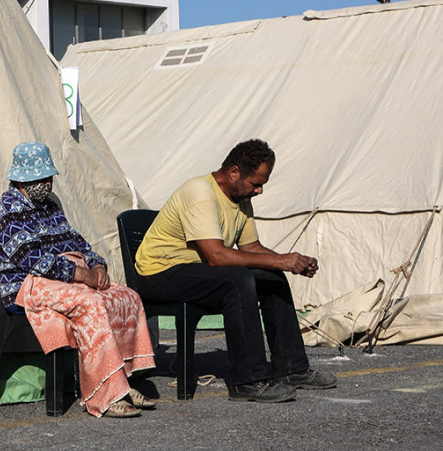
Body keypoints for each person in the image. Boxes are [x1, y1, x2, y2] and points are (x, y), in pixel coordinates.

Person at [133, 139, 336, 403]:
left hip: (194, 271)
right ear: (234, 173)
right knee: (237, 279)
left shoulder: (240, 198)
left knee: (271, 278)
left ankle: (291, 368)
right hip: (158, 273)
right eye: (256, 183)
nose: (260, 190)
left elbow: (251, 247)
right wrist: (280, 261)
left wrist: (290, 261)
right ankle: (248, 380)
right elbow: (217, 257)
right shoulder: (199, 192)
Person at [0, 142, 156, 418]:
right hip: (25, 284)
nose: (46, 183)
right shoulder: (9, 210)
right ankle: (103, 395)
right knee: (89, 303)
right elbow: (33, 259)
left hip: (62, 277)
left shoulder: (50, 206)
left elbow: (76, 241)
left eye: (48, 177)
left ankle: (121, 383)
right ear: (22, 179)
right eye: (40, 178)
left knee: (126, 296)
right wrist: (81, 275)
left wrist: (97, 265)